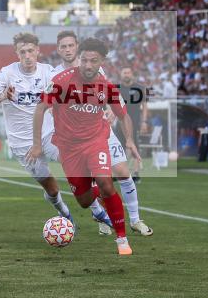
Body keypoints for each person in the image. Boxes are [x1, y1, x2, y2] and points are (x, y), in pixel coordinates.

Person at [0, 33, 109, 228]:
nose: (27, 55)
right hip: (21, 143)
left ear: (38, 51)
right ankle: (63, 211)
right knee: (51, 186)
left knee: (78, 166)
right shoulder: (6, 74)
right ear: (17, 53)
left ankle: (97, 211)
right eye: (22, 52)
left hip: (49, 135)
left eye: (31, 51)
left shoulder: (48, 72)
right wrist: (3, 96)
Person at [30, 38, 141, 255]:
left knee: (106, 182)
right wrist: (36, 145)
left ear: (102, 62)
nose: (88, 65)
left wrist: (129, 140)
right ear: (79, 59)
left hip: (95, 141)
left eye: (94, 61)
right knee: (83, 200)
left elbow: (123, 115)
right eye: (84, 60)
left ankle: (122, 239)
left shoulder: (106, 87)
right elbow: (40, 108)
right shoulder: (61, 81)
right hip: (69, 147)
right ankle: (98, 193)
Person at [52, 31, 153, 236]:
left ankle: (135, 220)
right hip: (73, 138)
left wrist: (111, 112)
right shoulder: (55, 75)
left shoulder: (97, 69)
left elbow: (112, 100)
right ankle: (103, 218)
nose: (67, 49)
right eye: (63, 46)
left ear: (77, 47)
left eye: (71, 45)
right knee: (91, 185)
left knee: (123, 172)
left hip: (101, 130)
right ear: (58, 50)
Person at [115, 67, 149, 182]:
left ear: (132, 75)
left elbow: (144, 106)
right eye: (124, 72)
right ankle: (119, 172)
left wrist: (144, 122)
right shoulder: (116, 88)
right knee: (118, 146)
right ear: (121, 74)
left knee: (134, 146)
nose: (126, 74)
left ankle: (135, 174)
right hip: (119, 122)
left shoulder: (140, 88)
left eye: (128, 72)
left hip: (134, 122)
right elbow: (111, 106)